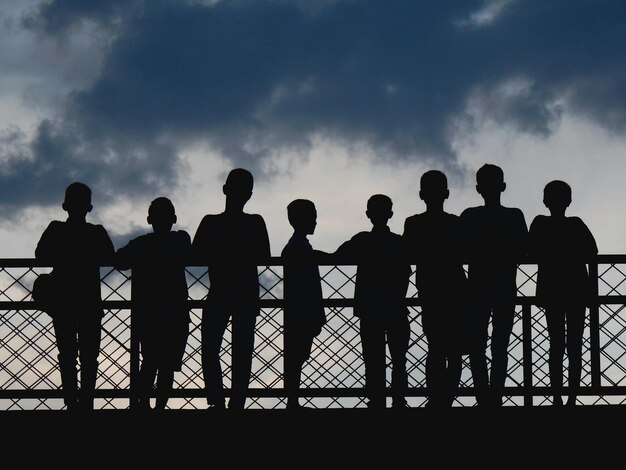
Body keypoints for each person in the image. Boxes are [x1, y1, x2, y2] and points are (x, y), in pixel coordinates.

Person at [192, 168, 271, 410]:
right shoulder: (254, 222)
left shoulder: (211, 222)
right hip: (244, 292)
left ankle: (218, 400)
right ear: (249, 194)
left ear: (225, 189)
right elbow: (265, 256)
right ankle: (236, 401)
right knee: (241, 350)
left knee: (212, 347)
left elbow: (194, 256)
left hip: (221, 291)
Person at [35, 182, 115, 411]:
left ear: (64, 206)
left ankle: (71, 402)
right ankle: (86, 402)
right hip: (89, 300)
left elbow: (40, 255)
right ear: (89, 207)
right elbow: (110, 258)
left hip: (64, 300)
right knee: (89, 356)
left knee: (67, 353)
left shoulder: (56, 230)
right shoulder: (96, 233)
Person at [459, 164, 528, 407]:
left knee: (478, 345)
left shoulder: (469, 217)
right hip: (504, 286)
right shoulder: (514, 216)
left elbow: (460, 249)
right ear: (503, 186)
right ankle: (495, 396)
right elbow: (523, 250)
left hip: (477, 288)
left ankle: (484, 396)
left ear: (478, 189)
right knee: (500, 345)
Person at [334, 194, 411, 409]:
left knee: (373, 357)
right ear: (391, 214)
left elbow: (336, 256)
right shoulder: (399, 243)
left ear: (368, 215)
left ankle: (377, 400)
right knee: (399, 358)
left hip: (370, 309)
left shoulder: (362, 241)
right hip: (395, 307)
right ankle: (398, 399)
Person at [115, 197, 192, 411]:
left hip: (148, 312)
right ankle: (157, 406)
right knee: (167, 366)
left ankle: (143, 404)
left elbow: (119, 261)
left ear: (149, 219)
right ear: (174, 219)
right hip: (175, 311)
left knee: (149, 362)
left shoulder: (142, 244)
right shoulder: (180, 240)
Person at [527, 180, 598, 407]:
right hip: (576, 289)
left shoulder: (540, 224)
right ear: (569, 201)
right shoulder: (576, 224)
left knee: (556, 343)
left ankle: (559, 395)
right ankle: (570, 397)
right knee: (573, 344)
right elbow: (592, 250)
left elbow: (531, 251)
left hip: (552, 289)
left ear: (545, 200)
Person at [403, 170, 470, 408]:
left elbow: (407, 254)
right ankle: (447, 398)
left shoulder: (413, 224)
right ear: (447, 194)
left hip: (431, 289)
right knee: (451, 348)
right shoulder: (455, 223)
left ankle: (437, 398)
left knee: (437, 346)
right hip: (454, 288)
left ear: (421, 194)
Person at [281, 199, 328, 410]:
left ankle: (293, 400)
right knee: (297, 355)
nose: (316, 222)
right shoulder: (298, 247)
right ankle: (292, 400)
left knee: (297, 355)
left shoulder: (298, 246)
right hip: (301, 310)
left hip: (299, 309)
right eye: (312, 217)